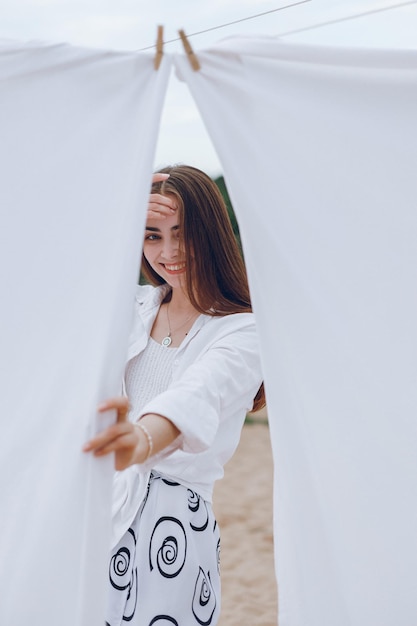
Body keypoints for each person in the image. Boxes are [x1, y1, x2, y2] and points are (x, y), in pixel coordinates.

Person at [83, 165, 265, 626]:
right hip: (96, 513)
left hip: (172, 533)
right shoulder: (131, 306)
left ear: (212, 232)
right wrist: (115, 197)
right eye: (151, 235)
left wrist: (141, 439)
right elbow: (57, 268)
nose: (169, 252)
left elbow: (199, 391)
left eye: (183, 233)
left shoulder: (243, 330)